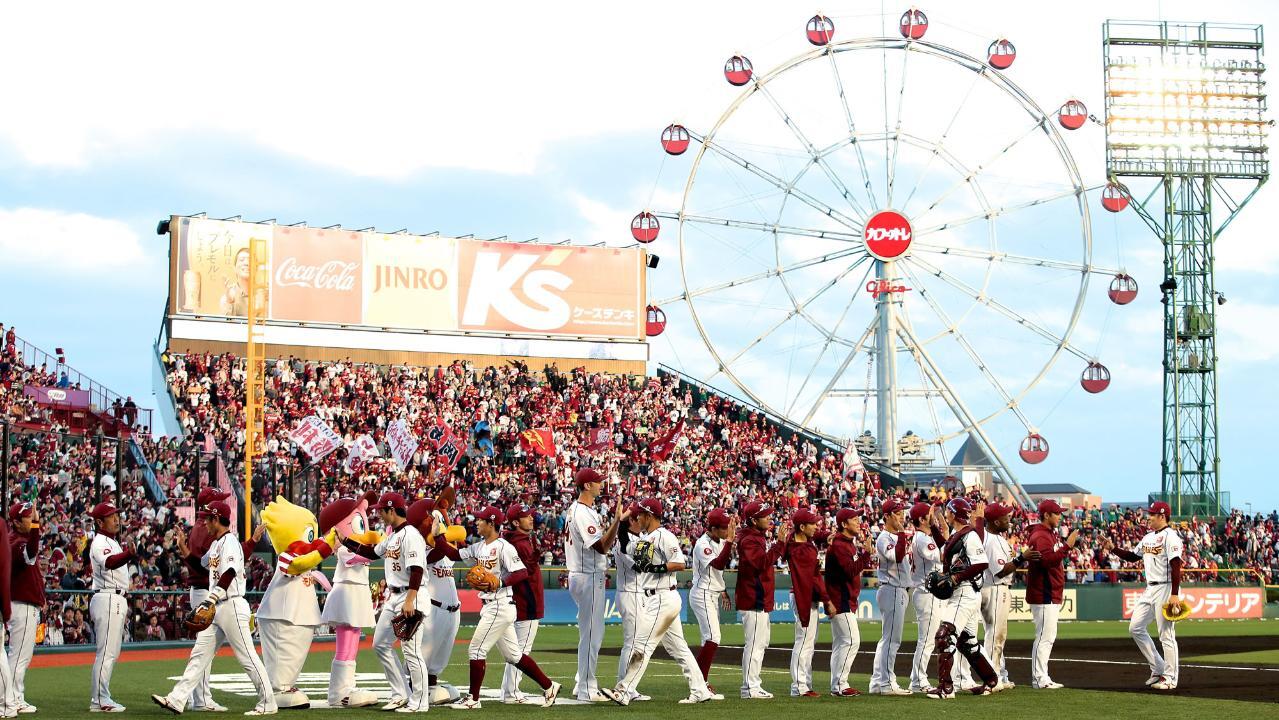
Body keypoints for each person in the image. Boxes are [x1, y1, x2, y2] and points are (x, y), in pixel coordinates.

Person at [151, 501, 278, 716]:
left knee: (247, 657)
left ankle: (269, 702)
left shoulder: (229, 542)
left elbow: (229, 573)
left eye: (207, 518)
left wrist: (210, 598)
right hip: (217, 607)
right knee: (199, 655)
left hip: (231, 605)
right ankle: (177, 699)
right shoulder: (216, 544)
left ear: (217, 519)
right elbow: (199, 564)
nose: (204, 522)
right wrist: (183, 546)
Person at [433, 506, 561, 710]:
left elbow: (520, 572)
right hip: (491, 605)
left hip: (500, 605)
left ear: (491, 524)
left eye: (481, 520)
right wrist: (439, 537)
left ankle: (473, 699)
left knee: (476, 650)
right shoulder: (480, 546)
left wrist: (500, 583)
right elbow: (455, 554)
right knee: (514, 656)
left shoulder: (504, 546)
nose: (477, 523)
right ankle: (550, 686)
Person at [601, 498, 716, 706]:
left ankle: (624, 690)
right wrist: (619, 520)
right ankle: (700, 690)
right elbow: (626, 547)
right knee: (679, 648)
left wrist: (657, 568)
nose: (637, 518)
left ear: (649, 515)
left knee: (642, 644)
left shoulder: (664, 535)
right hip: (656, 597)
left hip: (663, 597)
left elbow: (680, 563)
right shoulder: (648, 538)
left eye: (640, 515)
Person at [344, 492, 430, 713]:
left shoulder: (411, 535)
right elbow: (372, 553)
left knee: (411, 651)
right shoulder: (393, 535)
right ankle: (401, 694)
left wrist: (410, 600)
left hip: (412, 596)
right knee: (380, 644)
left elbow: (418, 570)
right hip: (394, 597)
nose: (379, 514)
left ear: (392, 510)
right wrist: (345, 541)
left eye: (381, 510)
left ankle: (419, 702)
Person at [1104, 501, 1183, 690]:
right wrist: (1112, 548)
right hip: (1150, 589)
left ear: (1162, 516)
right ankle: (1158, 667)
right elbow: (1133, 556)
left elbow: (1176, 566)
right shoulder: (1147, 538)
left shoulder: (1171, 537)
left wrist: (1174, 595)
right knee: (1135, 627)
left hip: (1166, 588)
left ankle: (1170, 678)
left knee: (1166, 634)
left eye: (1152, 514)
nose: (1149, 517)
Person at [563, 468, 624, 702]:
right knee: (591, 634)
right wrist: (617, 521)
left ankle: (582, 682)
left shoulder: (581, 510)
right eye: (598, 482)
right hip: (587, 575)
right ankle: (587, 688)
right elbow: (601, 547)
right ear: (587, 486)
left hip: (584, 574)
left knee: (591, 632)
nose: (601, 485)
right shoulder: (582, 512)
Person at [175, 487, 235, 714]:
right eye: (218, 501)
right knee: (205, 650)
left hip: (202, 591)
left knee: (205, 649)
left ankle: (199, 698)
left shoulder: (200, 527)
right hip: (205, 592)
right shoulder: (206, 529)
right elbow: (203, 564)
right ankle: (200, 699)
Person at [981, 502, 1036, 691]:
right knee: (996, 635)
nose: (1009, 520)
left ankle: (999, 674)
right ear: (995, 521)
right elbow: (1000, 571)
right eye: (1005, 517)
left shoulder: (990, 537)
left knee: (996, 635)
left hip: (991, 588)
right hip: (996, 588)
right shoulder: (993, 540)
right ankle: (991, 678)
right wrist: (1023, 557)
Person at [736, 500, 786, 699]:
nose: (769, 518)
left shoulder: (755, 536)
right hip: (753, 597)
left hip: (759, 597)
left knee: (760, 643)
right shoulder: (749, 539)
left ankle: (753, 685)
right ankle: (750, 687)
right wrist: (779, 545)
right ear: (754, 520)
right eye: (765, 515)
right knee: (755, 644)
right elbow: (760, 563)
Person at [1026, 499, 1078, 690]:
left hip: (1049, 592)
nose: (1060, 516)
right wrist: (1068, 546)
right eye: (1056, 513)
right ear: (1046, 515)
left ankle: (1041, 677)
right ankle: (1040, 678)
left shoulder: (1048, 534)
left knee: (1047, 636)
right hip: (1044, 592)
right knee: (1044, 637)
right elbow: (1046, 560)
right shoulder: (1041, 535)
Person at [500, 502, 547, 704]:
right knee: (520, 652)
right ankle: (511, 692)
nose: (531, 518)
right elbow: (522, 573)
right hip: (526, 601)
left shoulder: (517, 540)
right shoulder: (520, 543)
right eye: (526, 516)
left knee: (517, 650)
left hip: (520, 600)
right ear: (515, 522)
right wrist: (533, 559)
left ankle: (509, 690)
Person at [88, 502, 133, 713]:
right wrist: (129, 554)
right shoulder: (99, 542)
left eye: (117, 515)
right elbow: (110, 563)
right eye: (111, 516)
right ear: (99, 522)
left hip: (115, 598)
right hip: (107, 598)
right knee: (106, 652)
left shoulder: (112, 541)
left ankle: (101, 697)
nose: (116, 519)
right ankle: (99, 700)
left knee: (111, 653)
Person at [784, 508, 833, 698]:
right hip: (802, 596)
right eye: (812, 523)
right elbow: (813, 578)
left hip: (804, 595)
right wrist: (827, 600)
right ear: (802, 527)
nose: (816, 526)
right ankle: (799, 686)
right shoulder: (801, 550)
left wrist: (826, 536)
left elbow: (815, 536)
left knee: (807, 643)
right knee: (803, 642)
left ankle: (804, 684)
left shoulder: (801, 542)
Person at [825, 506, 872, 697]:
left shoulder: (846, 543)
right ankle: (840, 684)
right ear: (844, 524)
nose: (858, 522)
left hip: (844, 598)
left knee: (841, 643)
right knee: (852, 640)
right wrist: (866, 554)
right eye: (854, 519)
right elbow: (850, 571)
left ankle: (837, 684)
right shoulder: (840, 545)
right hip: (841, 599)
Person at [869, 498, 913, 695]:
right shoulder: (884, 537)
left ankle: (878, 681)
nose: (901, 515)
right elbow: (897, 556)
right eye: (896, 512)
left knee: (886, 639)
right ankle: (886, 683)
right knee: (892, 640)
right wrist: (902, 532)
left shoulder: (894, 536)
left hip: (898, 589)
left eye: (902, 511)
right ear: (886, 516)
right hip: (892, 588)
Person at [689, 508, 735, 690]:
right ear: (713, 528)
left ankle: (701, 682)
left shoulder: (719, 540)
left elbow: (717, 573)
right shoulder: (702, 544)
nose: (726, 531)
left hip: (712, 593)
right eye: (723, 528)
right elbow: (718, 564)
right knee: (713, 637)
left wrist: (723, 589)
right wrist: (730, 542)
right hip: (702, 593)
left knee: (707, 639)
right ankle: (699, 683)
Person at [612, 503, 650, 703]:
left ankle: (627, 685)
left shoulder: (638, 538)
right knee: (631, 642)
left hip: (638, 593)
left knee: (637, 642)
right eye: (638, 518)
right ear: (632, 522)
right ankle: (623, 685)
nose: (642, 521)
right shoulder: (622, 542)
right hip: (629, 593)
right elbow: (640, 567)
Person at [8, 502, 43, 714]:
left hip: (24, 605)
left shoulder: (17, 540)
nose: (31, 520)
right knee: (19, 656)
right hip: (21, 606)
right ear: (16, 522)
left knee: (20, 655)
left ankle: (13, 696)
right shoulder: (15, 542)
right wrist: (37, 526)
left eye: (32, 516)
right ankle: (12, 697)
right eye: (28, 517)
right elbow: (30, 552)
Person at [907, 502, 945, 693]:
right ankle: (918, 680)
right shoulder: (922, 539)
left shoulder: (923, 537)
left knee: (929, 639)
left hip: (928, 592)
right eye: (930, 515)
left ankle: (917, 679)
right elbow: (943, 556)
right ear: (922, 519)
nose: (934, 517)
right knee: (927, 640)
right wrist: (941, 529)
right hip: (927, 593)